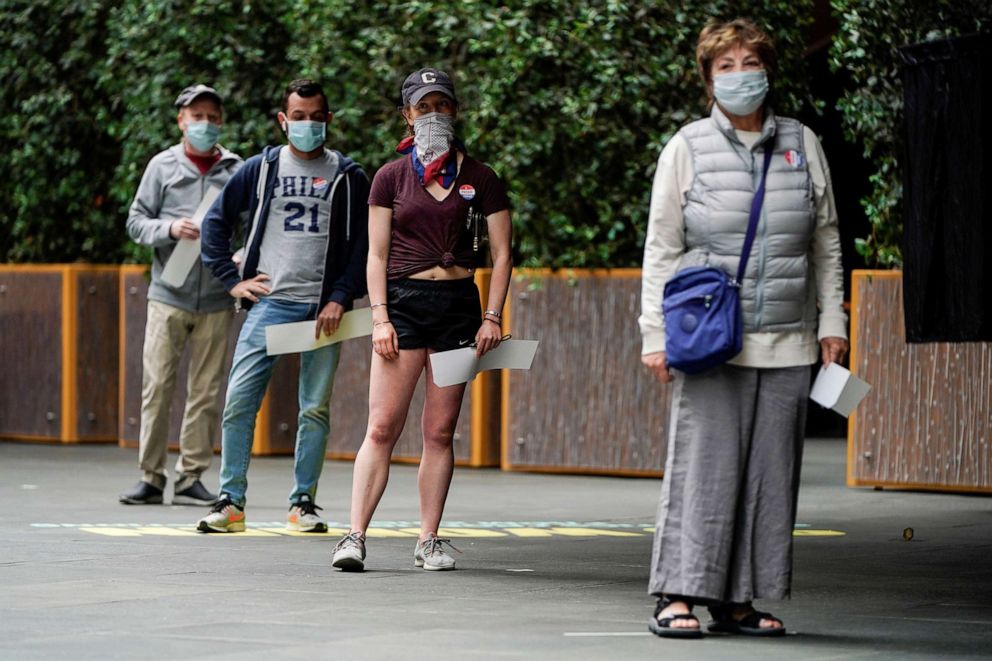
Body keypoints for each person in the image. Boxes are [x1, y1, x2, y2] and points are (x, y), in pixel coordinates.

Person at [639, 19, 848, 638]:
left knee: (769, 478)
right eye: (724, 65)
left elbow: (826, 242)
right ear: (707, 78)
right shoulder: (688, 147)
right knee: (701, 470)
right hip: (710, 338)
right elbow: (661, 246)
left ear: (768, 70)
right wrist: (655, 334)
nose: (739, 74)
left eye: (749, 61)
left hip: (787, 338)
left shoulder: (803, 143)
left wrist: (832, 320)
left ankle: (739, 601)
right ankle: (677, 594)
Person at [331, 68, 512, 571]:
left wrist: (491, 315)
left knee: (440, 431)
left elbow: (502, 256)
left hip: (458, 306)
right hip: (403, 304)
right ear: (407, 114)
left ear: (455, 111)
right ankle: (353, 536)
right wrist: (381, 318)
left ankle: (428, 539)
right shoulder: (390, 176)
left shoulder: (481, 176)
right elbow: (375, 255)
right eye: (423, 106)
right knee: (383, 425)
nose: (434, 114)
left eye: (442, 105)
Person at [195, 79, 369, 533]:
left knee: (314, 407)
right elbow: (216, 223)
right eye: (298, 116)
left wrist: (339, 297)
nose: (307, 124)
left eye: (315, 116)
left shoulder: (349, 176)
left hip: (323, 311)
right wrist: (233, 281)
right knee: (239, 400)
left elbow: (364, 246)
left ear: (328, 120)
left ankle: (303, 504)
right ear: (283, 119)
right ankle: (230, 502)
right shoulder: (262, 168)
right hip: (270, 303)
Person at [120, 84, 243, 507]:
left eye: (212, 116)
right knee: (156, 386)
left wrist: (243, 257)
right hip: (168, 294)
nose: (204, 124)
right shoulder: (162, 166)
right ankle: (150, 477)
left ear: (221, 121)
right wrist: (170, 229)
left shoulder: (234, 168)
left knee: (206, 391)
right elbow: (136, 222)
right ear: (181, 121)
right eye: (196, 116)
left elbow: (250, 225)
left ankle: (191, 476)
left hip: (216, 297)